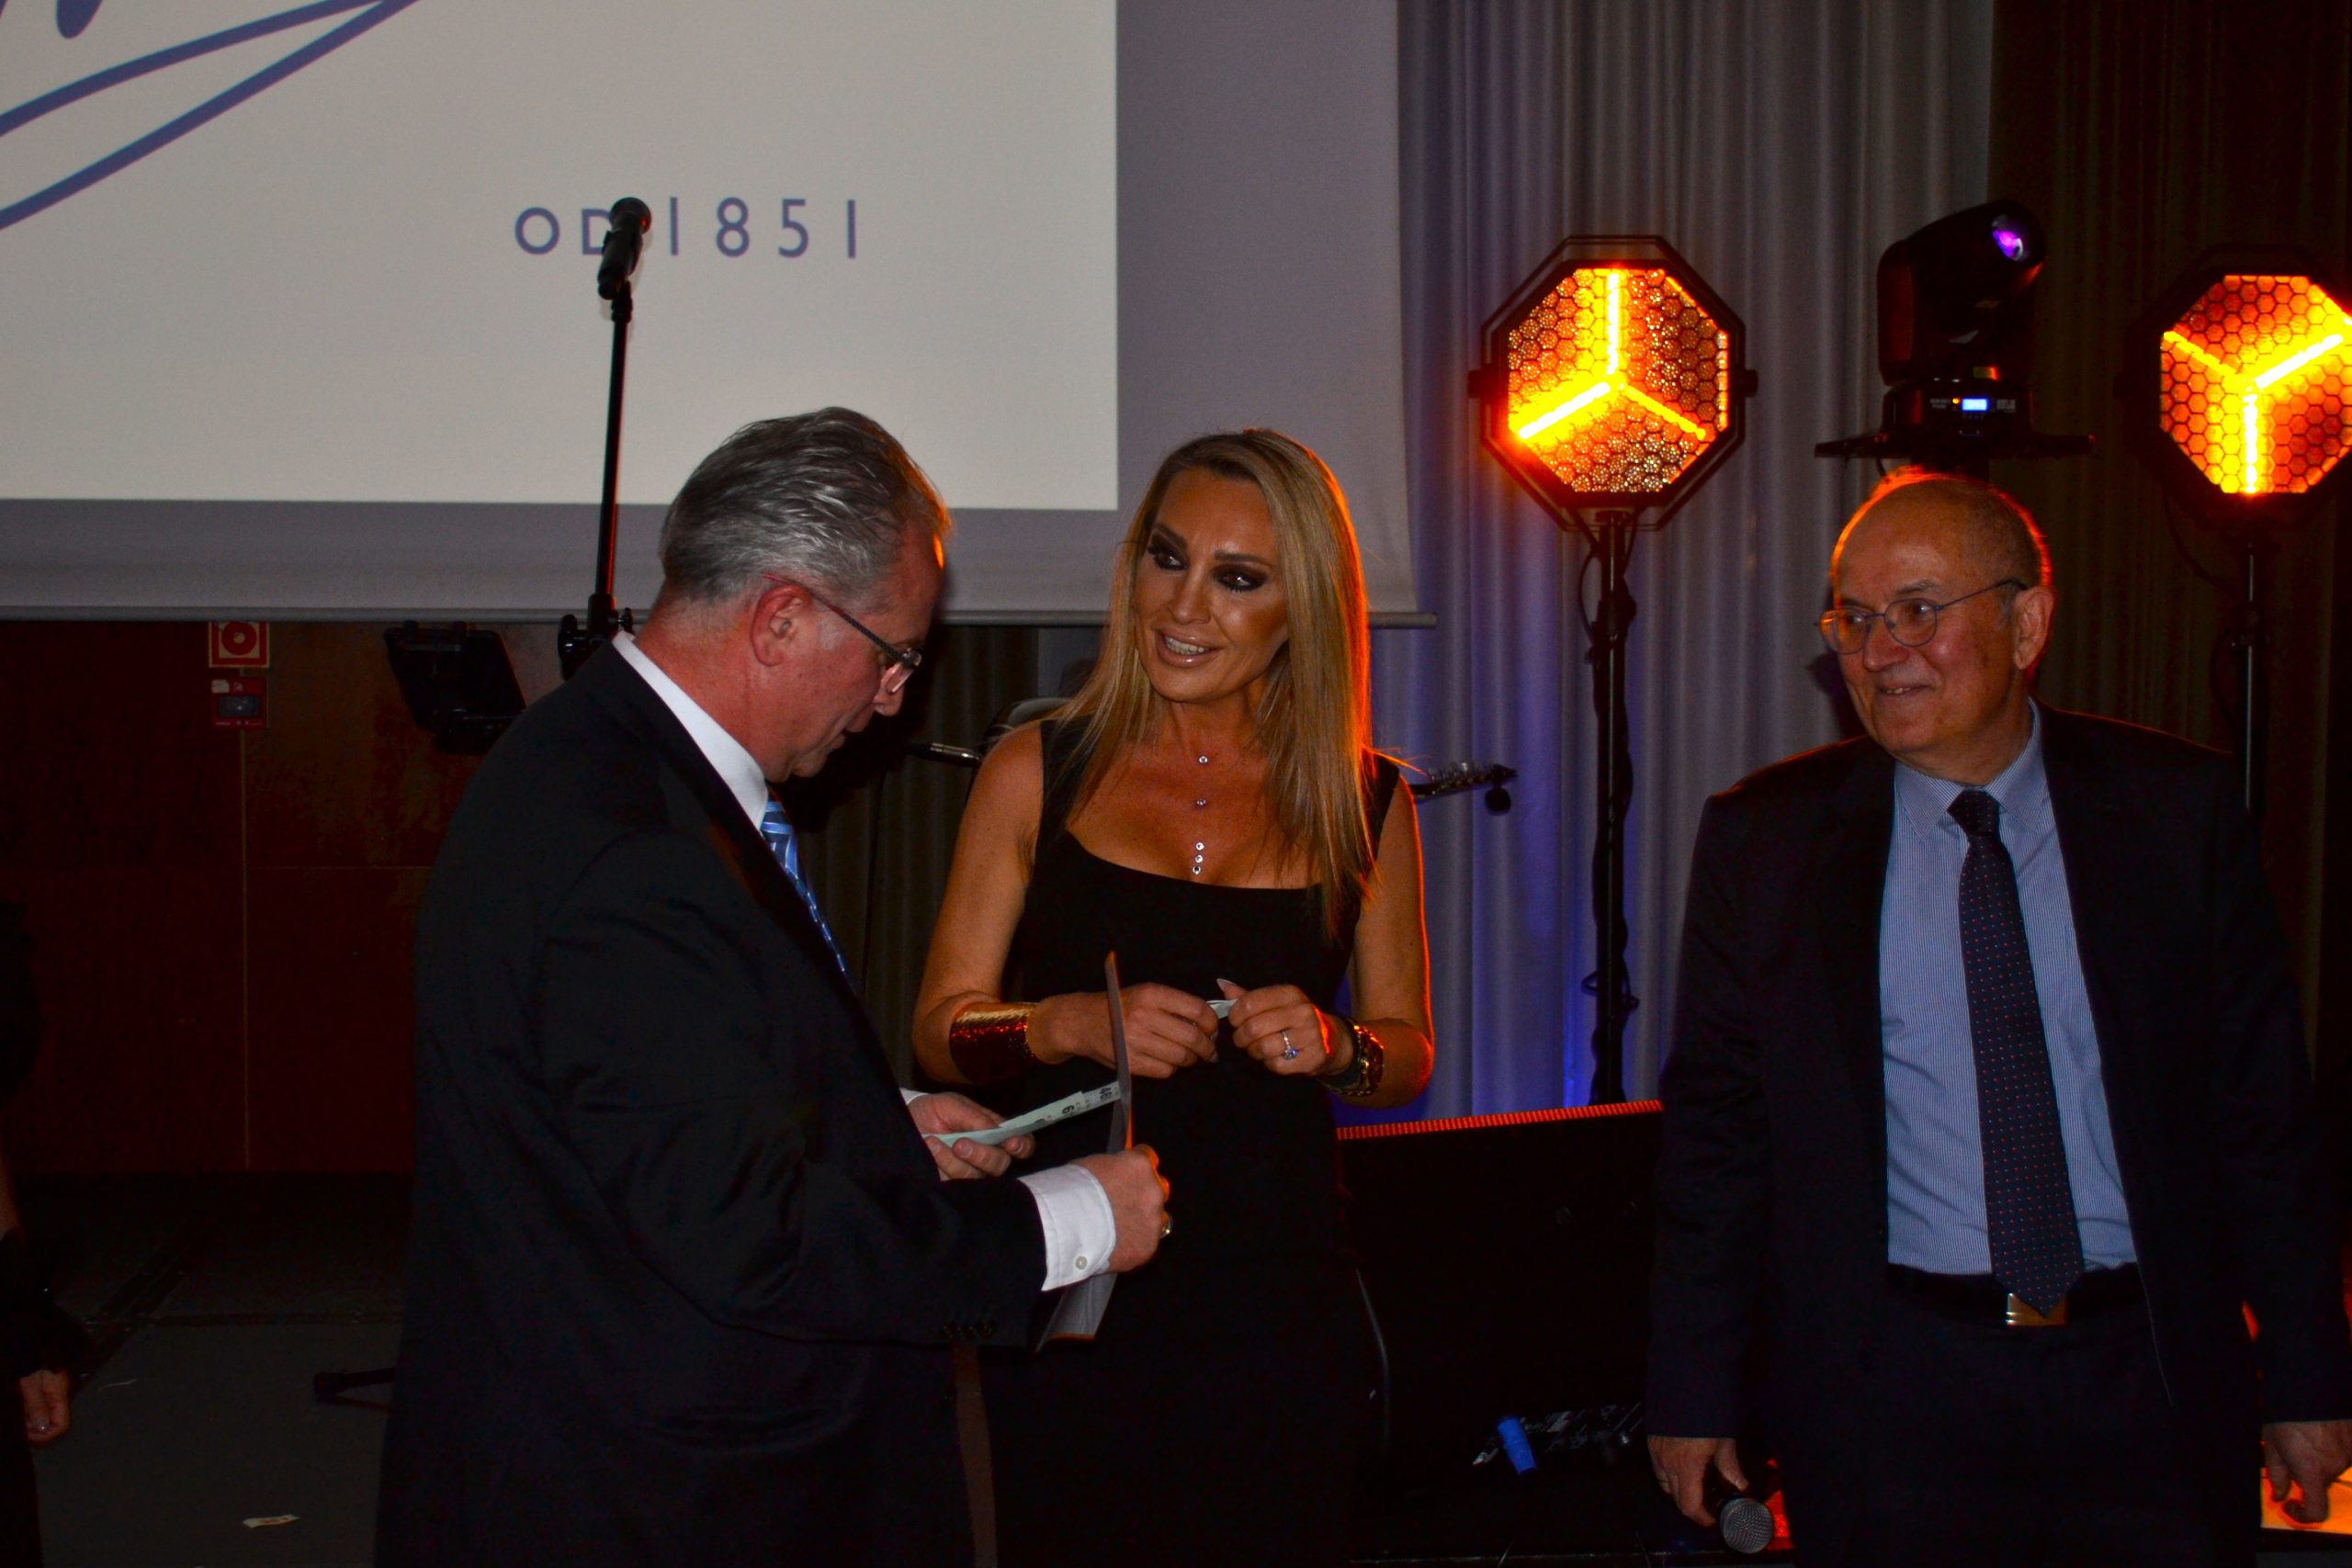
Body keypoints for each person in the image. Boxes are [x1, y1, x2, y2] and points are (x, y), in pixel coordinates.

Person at [377, 410, 1169, 1568]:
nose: (892, 698)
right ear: (781, 615)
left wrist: (876, 1125)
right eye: (893, 655)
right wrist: (1066, 1224)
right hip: (659, 1496)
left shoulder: (592, 757)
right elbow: (747, 1234)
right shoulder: (636, 848)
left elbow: (645, 1108)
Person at [1645, 471, 2352, 1565]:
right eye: (1853, 620)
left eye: (1917, 610)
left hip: (2146, 1378)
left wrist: (2307, 1375)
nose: (1879, 652)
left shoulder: (2171, 814)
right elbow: (1715, 1143)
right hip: (1894, 1394)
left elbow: (2261, 1116)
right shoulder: (1769, 842)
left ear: (2026, 625)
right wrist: (1693, 1393)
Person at [912, 429, 1434, 1566]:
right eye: (1166, 557)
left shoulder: (1364, 802)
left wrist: (1333, 1043)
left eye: (1236, 579)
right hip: (1079, 1281)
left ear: (1301, 612)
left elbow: (1406, 1054)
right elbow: (941, 1031)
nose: (1182, 605)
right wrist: (1061, 1023)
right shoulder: (1037, 768)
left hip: (1278, 1301)